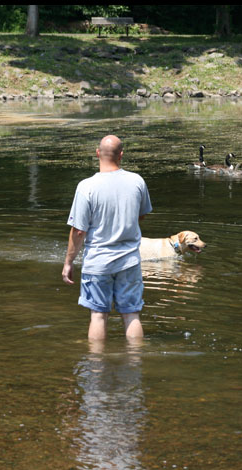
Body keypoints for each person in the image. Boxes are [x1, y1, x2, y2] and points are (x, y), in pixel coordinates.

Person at [62, 135, 152, 340]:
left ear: (97, 154)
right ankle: (135, 363)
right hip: (130, 261)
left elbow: (78, 231)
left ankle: (95, 364)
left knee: (98, 315)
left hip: (98, 262)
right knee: (131, 314)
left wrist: (68, 262)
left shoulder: (86, 186)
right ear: (121, 155)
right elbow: (141, 215)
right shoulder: (137, 181)